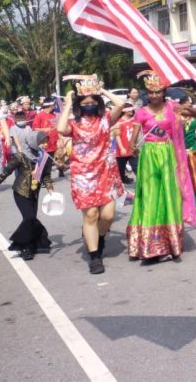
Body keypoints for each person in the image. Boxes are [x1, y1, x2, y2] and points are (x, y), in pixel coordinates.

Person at [127, 71, 196, 262]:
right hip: (149, 157)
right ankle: (149, 244)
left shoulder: (172, 108)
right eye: (150, 92)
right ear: (146, 93)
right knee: (151, 196)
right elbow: (133, 142)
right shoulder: (142, 112)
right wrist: (134, 148)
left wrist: (185, 108)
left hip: (169, 155)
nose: (154, 95)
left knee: (170, 194)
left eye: (158, 91)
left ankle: (172, 243)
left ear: (164, 91)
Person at [57, 77, 126, 275]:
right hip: (83, 174)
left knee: (108, 216)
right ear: (79, 104)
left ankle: (99, 236)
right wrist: (68, 104)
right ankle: (95, 256)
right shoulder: (74, 123)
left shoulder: (106, 119)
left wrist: (102, 91)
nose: (89, 105)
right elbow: (61, 129)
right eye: (85, 103)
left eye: (93, 101)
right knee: (91, 215)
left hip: (106, 171)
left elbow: (121, 104)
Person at [0, 111, 54, 259]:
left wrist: (50, 188)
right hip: (21, 192)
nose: (45, 144)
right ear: (34, 142)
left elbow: (46, 176)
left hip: (34, 193)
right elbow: (6, 172)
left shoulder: (44, 159)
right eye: (42, 141)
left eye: (46, 141)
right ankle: (22, 246)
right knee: (28, 218)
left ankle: (32, 245)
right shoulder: (21, 156)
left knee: (31, 219)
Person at [32, 97, 60, 177]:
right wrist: (45, 129)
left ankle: (47, 180)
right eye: (53, 105)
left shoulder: (54, 115)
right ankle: (37, 180)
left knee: (49, 164)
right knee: (41, 164)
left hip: (53, 144)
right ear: (49, 106)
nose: (54, 107)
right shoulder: (39, 115)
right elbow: (34, 129)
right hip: (44, 144)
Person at [113, 103, 139, 183]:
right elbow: (117, 136)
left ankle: (143, 182)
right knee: (120, 169)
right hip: (122, 150)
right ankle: (123, 181)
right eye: (129, 109)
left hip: (132, 149)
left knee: (137, 167)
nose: (132, 111)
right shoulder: (119, 122)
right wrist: (121, 148)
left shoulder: (134, 121)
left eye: (132, 109)